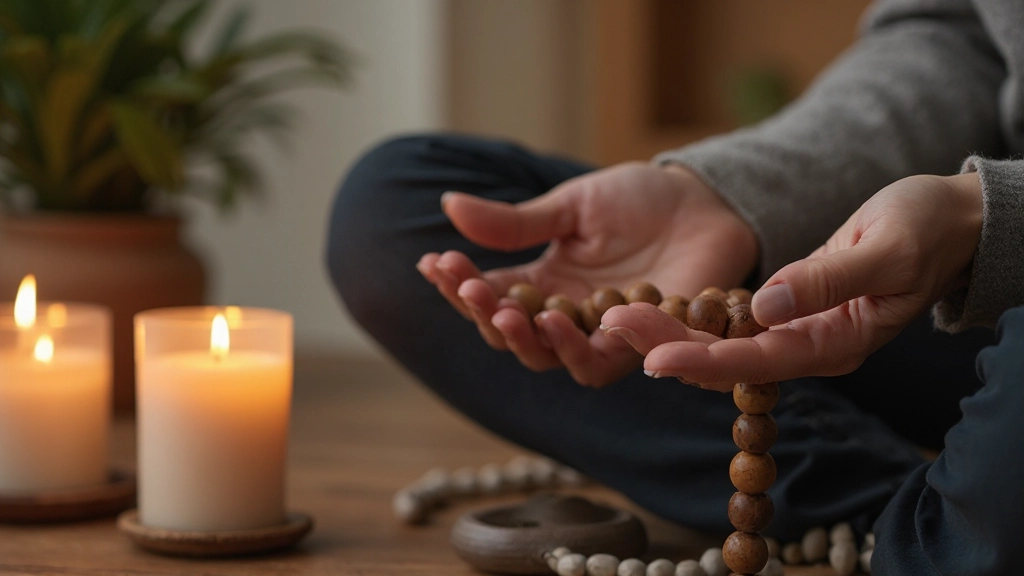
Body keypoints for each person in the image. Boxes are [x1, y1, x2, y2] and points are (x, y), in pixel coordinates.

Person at [326, 0, 1024, 573]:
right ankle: (869, 508)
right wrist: (725, 194)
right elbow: (954, 36)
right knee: (389, 206)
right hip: (941, 275)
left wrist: (987, 218)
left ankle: (933, 525)